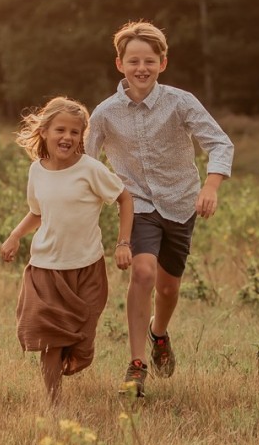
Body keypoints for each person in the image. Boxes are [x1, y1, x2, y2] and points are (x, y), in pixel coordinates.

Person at [87, 20, 233, 397]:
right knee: (143, 273)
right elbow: (85, 160)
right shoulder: (104, 113)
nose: (141, 68)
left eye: (149, 61)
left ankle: (159, 333)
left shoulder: (181, 102)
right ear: (119, 64)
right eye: (133, 61)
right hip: (136, 203)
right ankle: (136, 365)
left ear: (162, 63)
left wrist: (211, 186)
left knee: (168, 288)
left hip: (181, 202)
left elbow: (220, 144)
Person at [1, 95, 134, 404]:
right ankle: (54, 404)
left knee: (82, 344)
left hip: (87, 268)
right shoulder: (37, 171)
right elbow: (37, 212)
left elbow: (125, 198)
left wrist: (123, 243)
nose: (67, 137)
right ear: (44, 131)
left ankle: (72, 359)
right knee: (50, 339)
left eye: (75, 132)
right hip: (46, 268)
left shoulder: (90, 169)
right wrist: (14, 236)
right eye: (60, 130)